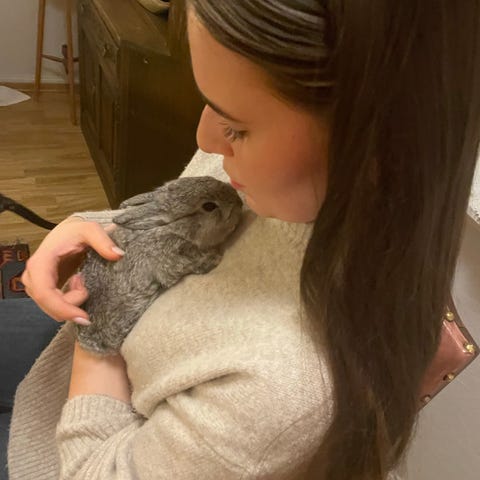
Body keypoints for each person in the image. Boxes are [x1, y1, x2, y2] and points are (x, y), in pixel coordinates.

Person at [5, 1, 480, 479]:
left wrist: (100, 324)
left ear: (373, 143)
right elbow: (179, 215)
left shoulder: (279, 390)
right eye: (208, 104)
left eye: (236, 127)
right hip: (68, 365)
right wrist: (89, 232)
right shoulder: (269, 172)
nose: (205, 139)